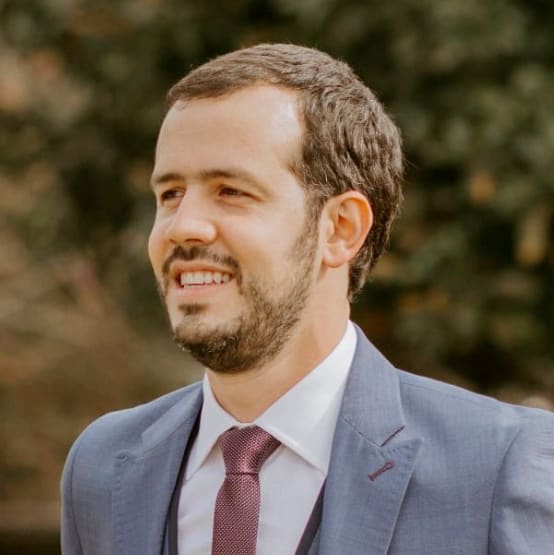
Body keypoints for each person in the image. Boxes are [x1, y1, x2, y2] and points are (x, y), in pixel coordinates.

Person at [61, 43, 554, 555]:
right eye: (170, 194)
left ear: (340, 228)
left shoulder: (500, 468)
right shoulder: (100, 466)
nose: (182, 226)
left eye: (231, 190)